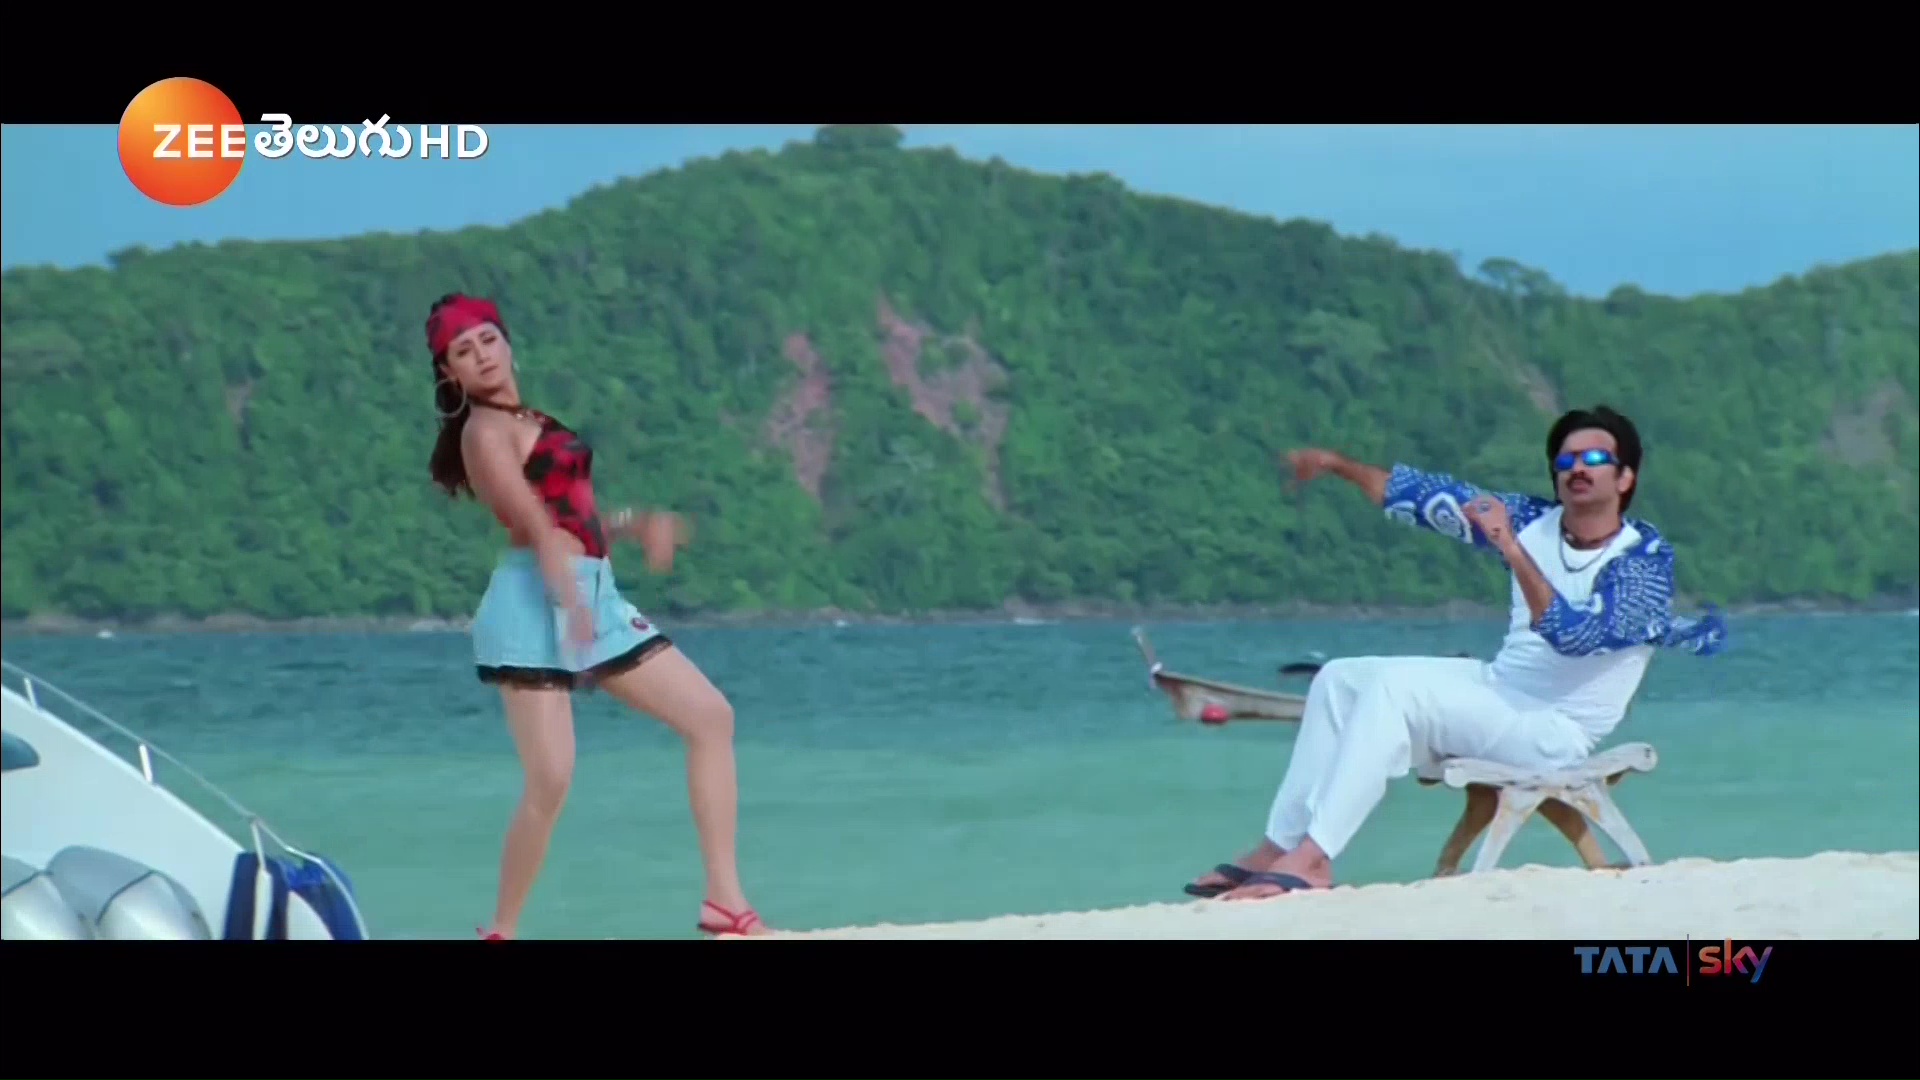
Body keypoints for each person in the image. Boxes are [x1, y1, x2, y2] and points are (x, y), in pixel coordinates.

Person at [1184, 405, 1728, 901]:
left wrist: (1511, 549)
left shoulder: (1644, 561)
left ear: (1625, 477)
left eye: (1594, 459)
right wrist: (1336, 466)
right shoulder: (1531, 519)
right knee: (1340, 678)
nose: (1577, 469)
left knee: (1394, 692)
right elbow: (1421, 498)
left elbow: (1575, 635)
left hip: (1555, 729)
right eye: (1566, 460)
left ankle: (1315, 859)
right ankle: (1279, 846)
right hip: (1498, 692)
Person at [423, 292, 771, 938]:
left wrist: (635, 525)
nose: (482, 356)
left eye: (488, 340)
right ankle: (500, 930)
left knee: (710, 718)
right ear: (451, 373)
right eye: (463, 352)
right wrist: (571, 600)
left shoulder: (532, 418)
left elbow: (574, 516)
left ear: (507, 341)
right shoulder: (484, 432)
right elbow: (532, 522)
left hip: (591, 591)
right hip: (532, 605)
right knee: (551, 779)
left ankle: (725, 900)